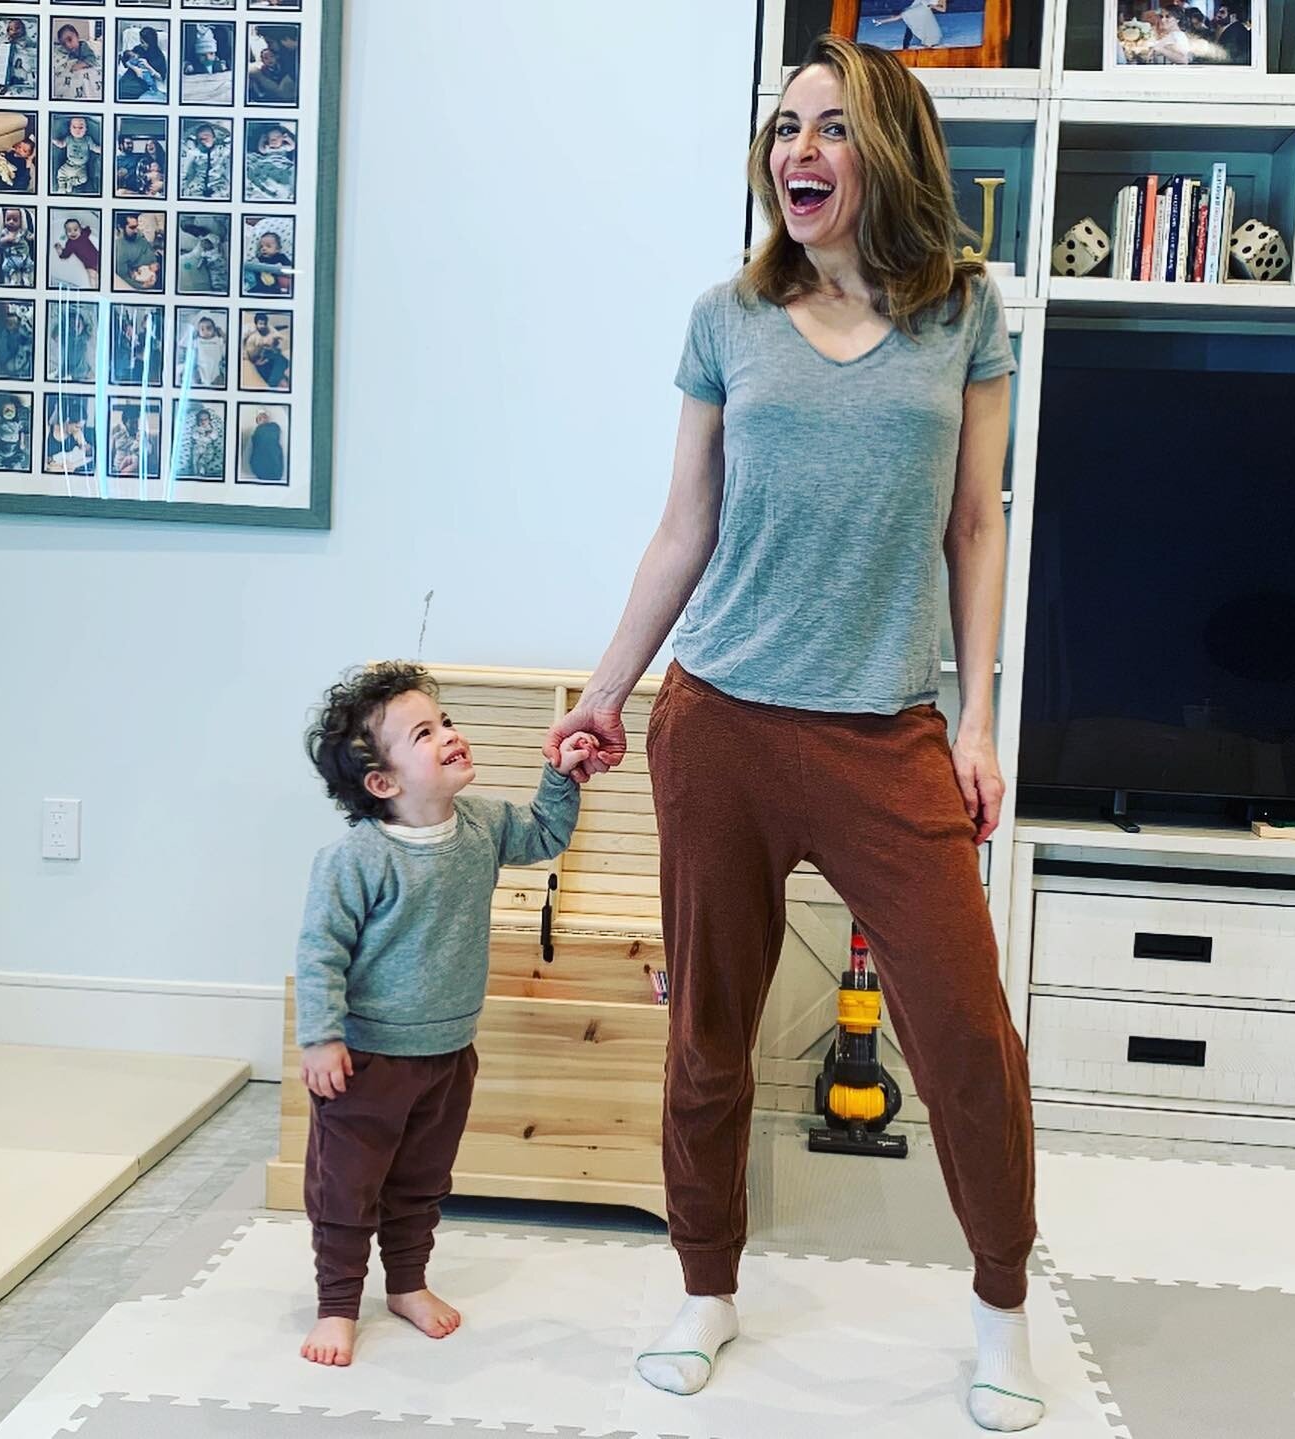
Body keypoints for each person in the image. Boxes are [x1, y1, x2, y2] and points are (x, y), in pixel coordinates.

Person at [543, 34, 1040, 1433]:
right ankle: (706, 1286)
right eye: (783, 129)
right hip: (725, 728)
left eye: (830, 128)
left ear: (890, 151)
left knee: (964, 1033)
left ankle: (1000, 1303)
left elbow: (977, 524)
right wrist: (604, 691)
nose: (796, 154)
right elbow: (683, 526)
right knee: (708, 1034)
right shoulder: (728, 316)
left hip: (887, 734)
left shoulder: (965, 316)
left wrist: (979, 720)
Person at [294, 662, 596, 1367]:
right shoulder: (356, 860)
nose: (450, 735)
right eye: (425, 732)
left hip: (449, 1052)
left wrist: (564, 774)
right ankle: (338, 1304)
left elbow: (546, 832)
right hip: (365, 1062)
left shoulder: (483, 824)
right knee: (346, 1189)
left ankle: (406, 1283)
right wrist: (322, 1036)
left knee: (422, 1181)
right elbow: (319, 952)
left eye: (446, 721)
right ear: (383, 782)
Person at [180, 122, 231, 200]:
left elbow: (229, 135)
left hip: (219, 190)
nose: (204, 141)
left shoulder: (223, 151)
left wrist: (214, 126)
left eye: (206, 137)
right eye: (201, 139)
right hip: (197, 191)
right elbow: (185, 173)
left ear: (214, 137)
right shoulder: (194, 153)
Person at [52, 116, 100, 195]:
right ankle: (62, 186)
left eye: (81, 127)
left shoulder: (88, 139)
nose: (77, 130)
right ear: (70, 129)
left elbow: (94, 148)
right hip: (69, 164)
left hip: (81, 167)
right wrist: (54, 141)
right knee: (60, 172)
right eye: (74, 127)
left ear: (86, 129)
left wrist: (103, 149)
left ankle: (71, 182)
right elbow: (61, 144)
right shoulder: (69, 139)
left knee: (84, 179)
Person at [873, 0, 947, 49]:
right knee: (903, 16)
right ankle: (880, 21)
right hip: (918, 11)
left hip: (925, 14)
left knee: (930, 33)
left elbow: (943, 10)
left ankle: (880, 21)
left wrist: (933, 6)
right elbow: (916, 3)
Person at [244, 311, 290, 388]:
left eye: (264, 324)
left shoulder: (268, 330)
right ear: (256, 324)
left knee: (280, 360)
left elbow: (276, 337)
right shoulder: (252, 334)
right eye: (260, 324)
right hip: (259, 360)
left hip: (268, 358)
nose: (263, 326)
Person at [114, 212, 160, 291]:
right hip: (147, 276)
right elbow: (124, 278)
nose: (136, 231)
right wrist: (143, 286)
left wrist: (156, 263)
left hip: (157, 263)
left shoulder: (137, 234)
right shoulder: (120, 249)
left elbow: (149, 248)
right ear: (121, 228)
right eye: (132, 227)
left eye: (136, 226)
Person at [54, 216, 100, 288]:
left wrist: (85, 227)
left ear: (80, 230)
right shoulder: (70, 244)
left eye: (75, 230)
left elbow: (88, 230)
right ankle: (96, 290)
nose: (73, 233)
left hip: (98, 258)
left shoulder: (83, 234)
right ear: (66, 233)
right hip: (89, 265)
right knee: (93, 277)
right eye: (69, 231)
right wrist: (59, 249)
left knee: (101, 276)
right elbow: (64, 255)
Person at [183, 313, 227, 387]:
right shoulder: (197, 341)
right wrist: (193, 335)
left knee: (219, 381)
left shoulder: (217, 340)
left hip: (215, 369)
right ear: (198, 331)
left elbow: (226, 341)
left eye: (209, 328)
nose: (205, 331)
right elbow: (187, 346)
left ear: (214, 329)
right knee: (195, 378)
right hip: (201, 368)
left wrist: (221, 332)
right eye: (202, 329)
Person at [247, 410, 285, 480]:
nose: (262, 419)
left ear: (267, 418)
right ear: (257, 422)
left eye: (264, 417)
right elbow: (256, 445)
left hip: (273, 459)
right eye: (260, 418)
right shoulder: (257, 431)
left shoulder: (274, 426)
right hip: (261, 461)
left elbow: (275, 436)